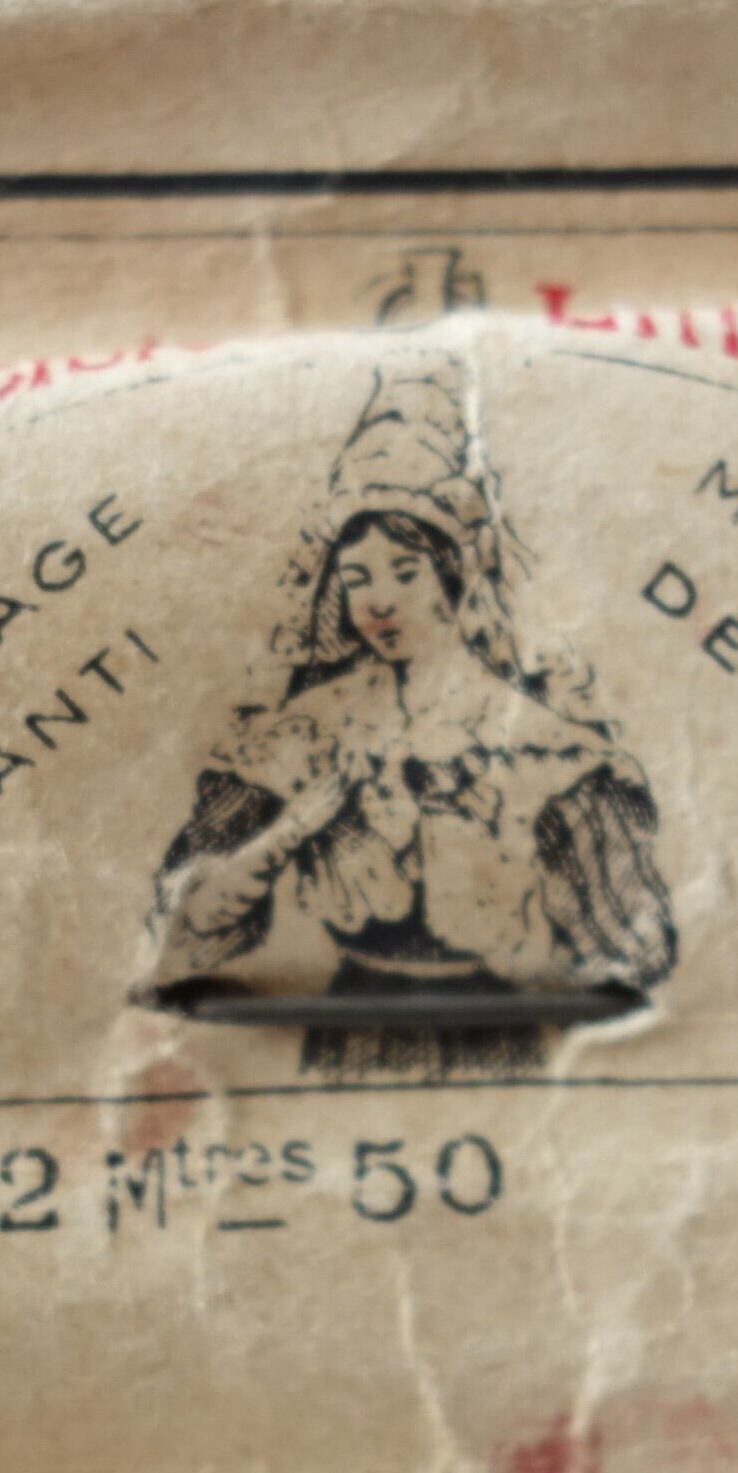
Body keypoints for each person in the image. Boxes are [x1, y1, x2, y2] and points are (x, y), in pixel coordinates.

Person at [148, 357, 677, 1078]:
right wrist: (289, 834)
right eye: (356, 578)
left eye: (404, 572)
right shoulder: (304, 729)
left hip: (512, 1042)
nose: (378, 602)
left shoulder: (552, 749)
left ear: (452, 576)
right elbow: (182, 926)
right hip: (336, 1038)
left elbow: (633, 955)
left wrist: (511, 920)